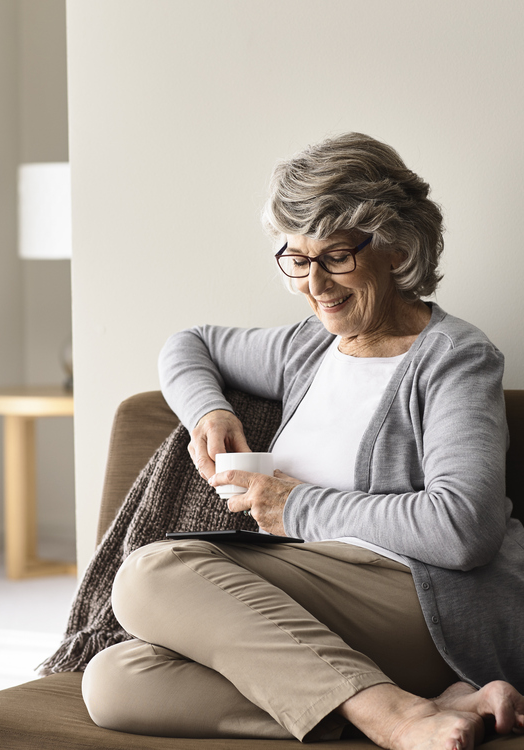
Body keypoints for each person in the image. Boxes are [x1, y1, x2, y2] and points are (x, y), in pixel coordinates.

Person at [81, 133, 524, 749]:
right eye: (295, 258)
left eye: (337, 256)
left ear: (396, 246)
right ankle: (412, 704)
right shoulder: (306, 347)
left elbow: (462, 528)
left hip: (423, 597)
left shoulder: (455, 359)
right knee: (117, 679)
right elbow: (190, 343)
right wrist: (206, 411)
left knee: (152, 572)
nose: (315, 284)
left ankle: (397, 717)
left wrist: (296, 505)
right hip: (314, 600)